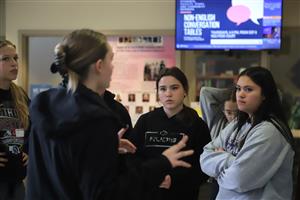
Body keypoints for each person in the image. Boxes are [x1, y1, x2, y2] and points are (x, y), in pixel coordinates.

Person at [26, 29, 194, 200]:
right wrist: (162, 164)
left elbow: (64, 163)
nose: (112, 67)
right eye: (110, 60)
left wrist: (105, 146)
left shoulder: (43, 103)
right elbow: (105, 194)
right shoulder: (96, 118)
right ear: (99, 66)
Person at [200, 66, 295, 200]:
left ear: (264, 95)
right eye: (238, 88)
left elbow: (239, 179)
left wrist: (219, 172)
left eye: (248, 89)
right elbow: (204, 157)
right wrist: (234, 162)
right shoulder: (238, 123)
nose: (240, 94)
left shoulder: (269, 131)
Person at [129, 67, 211, 200]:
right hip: (148, 193)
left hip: (183, 194)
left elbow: (204, 166)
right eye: (162, 89)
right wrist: (149, 175)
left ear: (185, 91)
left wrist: (174, 181)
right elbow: (132, 157)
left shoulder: (197, 124)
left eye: (174, 88)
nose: (168, 94)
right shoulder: (146, 121)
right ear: (158, 93)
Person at [0, 40, 30, 200]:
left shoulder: (20, 95)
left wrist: (28, 151)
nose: (14, 63)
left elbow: (32, 130)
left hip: (17, 178)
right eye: (6, 59)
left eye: (15, 58)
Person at [200, 86, 237, 200]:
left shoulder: (247, 125)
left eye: (237, 112)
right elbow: (205, 92)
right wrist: (233, 91)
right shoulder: (217, 120)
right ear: (223, 111)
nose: (233, 116)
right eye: (229, 112)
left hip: (234, 181)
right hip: (214, 181)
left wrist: (221, 156)